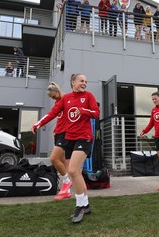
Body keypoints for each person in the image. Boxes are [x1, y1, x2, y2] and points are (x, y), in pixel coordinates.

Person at [32, 73, 100, 223]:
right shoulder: (66, 99)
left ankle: (79, 206)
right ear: (73, 83)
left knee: (73, 170)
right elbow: (52, 113)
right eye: (81, 81)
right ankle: (86, 204)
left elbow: (96, 113)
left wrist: (83, 111)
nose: (84, 83)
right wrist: (38, 124)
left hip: (84, 137)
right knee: (77, 173)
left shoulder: (88, 96)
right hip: (69, 138)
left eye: (86, 81)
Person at [32, 82, 73, 200]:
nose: (53, 98)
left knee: (53, 158)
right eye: (51, 98)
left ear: (57, 92)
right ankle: (67, 191)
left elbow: (51, 115)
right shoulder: (58, 102)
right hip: (59, 133)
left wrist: (38, 124)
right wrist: (55, 130)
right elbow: (59, 118)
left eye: (53, 96)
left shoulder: (66, 99)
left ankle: (66, 182)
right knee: (63, 161)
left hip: (66, 134)